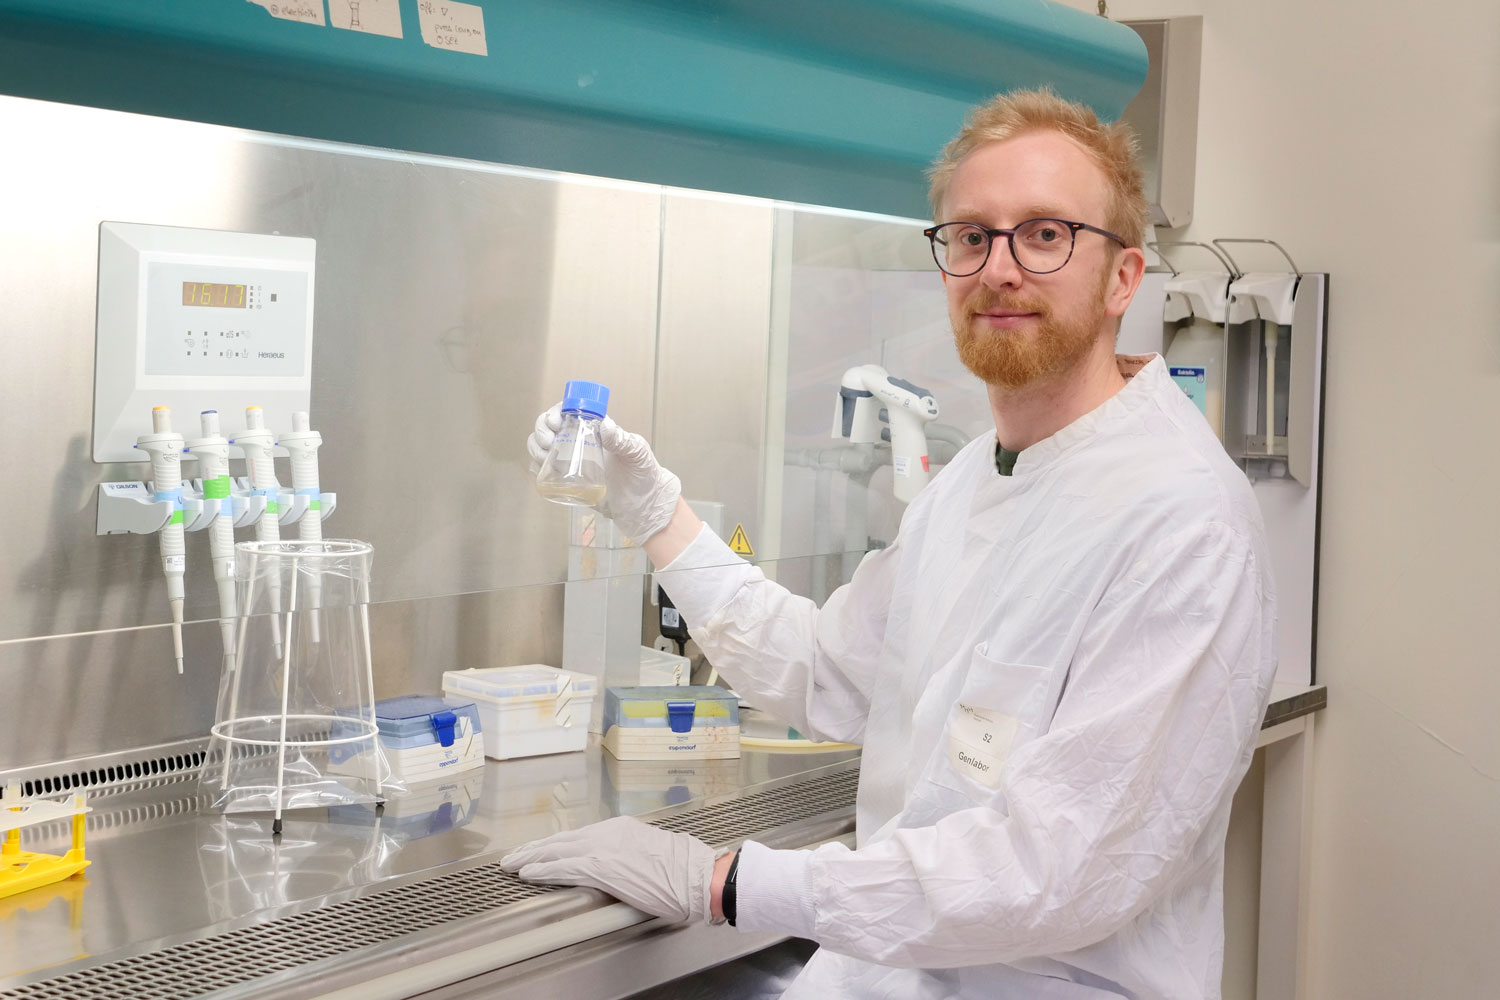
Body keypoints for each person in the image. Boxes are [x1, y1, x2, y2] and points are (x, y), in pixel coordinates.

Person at [501, 88, 1277, 1000]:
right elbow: (827, 672)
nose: (999, 269)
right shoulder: (977, 478)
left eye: (1045, 234)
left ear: (1122, 278)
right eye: (971, 236)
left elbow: (1054, 871)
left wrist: (722, 882)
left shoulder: (1184, 521)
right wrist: (655, 514)